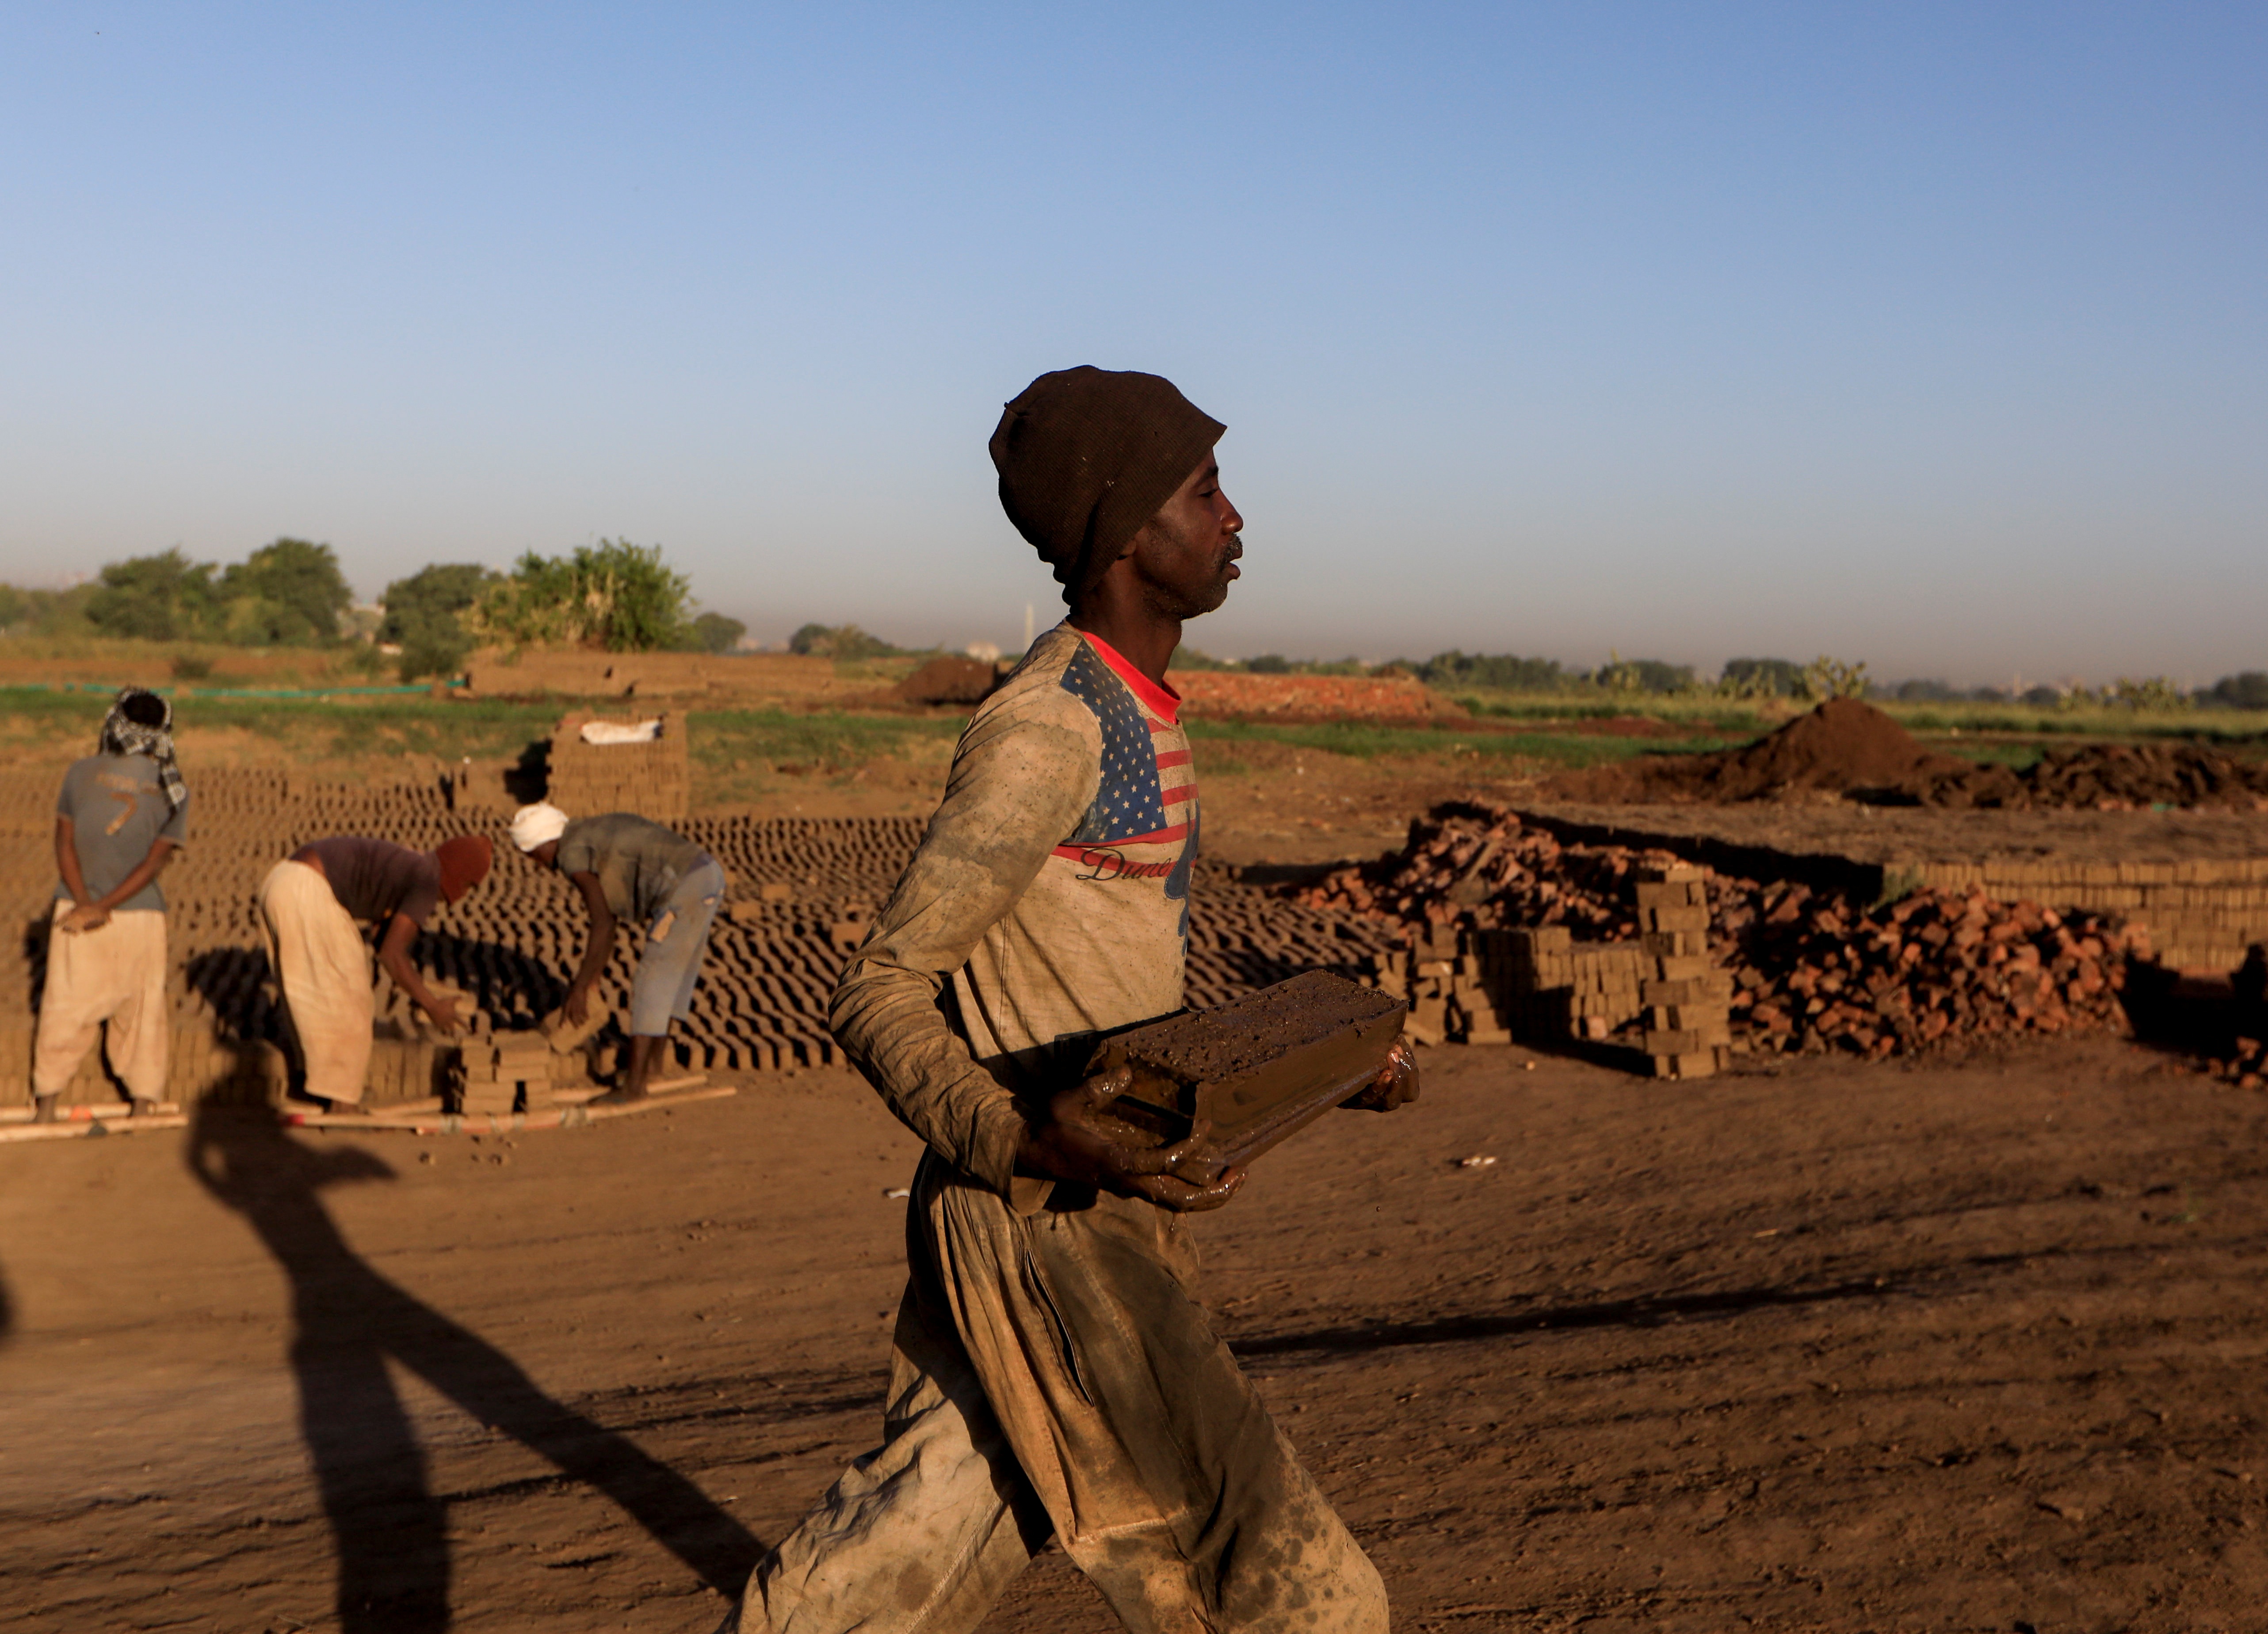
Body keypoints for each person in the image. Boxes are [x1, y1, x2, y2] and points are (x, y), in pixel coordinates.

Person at [718, 367, 1419, 1634]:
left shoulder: (1142, 710)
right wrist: (1027, 1134)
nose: (1236, 517)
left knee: (887, 1567)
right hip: (1051, 1228)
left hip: (1060, 1216)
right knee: (1300, 1595)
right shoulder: (1049, 731)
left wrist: (1317, 1072)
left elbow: (1107, 984)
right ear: (1123, 527)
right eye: (1204, 490)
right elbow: (878, 987)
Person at [31, 687, 191, 1123]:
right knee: (142, 1010)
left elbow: (63, 840)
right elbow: (155, 861)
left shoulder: (80, 772)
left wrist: (86, 902)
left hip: (75, 910)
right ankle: (142, 1105)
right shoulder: (172, 786)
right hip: (141, 914)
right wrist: (106, 904)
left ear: (114, 720)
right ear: (162, 729)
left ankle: (47, 1105)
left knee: (64, 1005)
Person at [506, 803, 725, 1106]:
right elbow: (609, 919)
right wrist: (592, 979)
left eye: (532, 855)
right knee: (674, 977)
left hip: (684, 885)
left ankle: (634, 1087)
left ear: (544, 842)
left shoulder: (571, 853)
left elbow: (604, 923)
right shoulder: (589, 831)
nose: (537, 864)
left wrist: (581, 987)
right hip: (707, 874)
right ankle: (652, 1068)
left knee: (653, 979)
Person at [259, 833, 493, 1115]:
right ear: (457, 871)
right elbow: (391, 955)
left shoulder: (416, 866)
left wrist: (423, 989)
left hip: (281, 881)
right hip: (304, 888)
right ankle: (342, 1101)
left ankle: (314, 1086)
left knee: (309, 995)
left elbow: (384, 942)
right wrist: (433, 1007)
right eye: (468, 884)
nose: (464, 894)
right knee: (351, 999)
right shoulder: (427, 882)